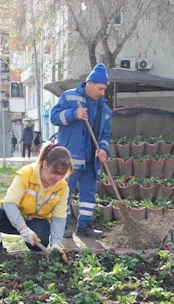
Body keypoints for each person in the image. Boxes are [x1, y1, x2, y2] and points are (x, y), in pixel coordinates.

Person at [0, 142, 71, 258]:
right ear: (45, 165)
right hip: (12, 218)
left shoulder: (62, 187)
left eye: (62, 175)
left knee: (41, 240)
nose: (57, 178)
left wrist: (56, 244)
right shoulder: (26, 174)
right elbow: (10, 204)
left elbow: (59, 218)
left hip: (36, 222)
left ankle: (36, 258)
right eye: (55, 173)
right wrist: (23, 228)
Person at [51, 63, 112, 239]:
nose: (103, 93)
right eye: (100, 88)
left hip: (91, 161)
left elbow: (106, 134)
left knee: (88, 194)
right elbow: (54, 117)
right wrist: (74, 114)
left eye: (104, 89)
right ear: (89, 83)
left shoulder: (105, 110)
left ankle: (84, 226)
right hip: (70, 158)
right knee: (64, 192)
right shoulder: (69, 97)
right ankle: (62, 226)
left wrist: (103, 149)